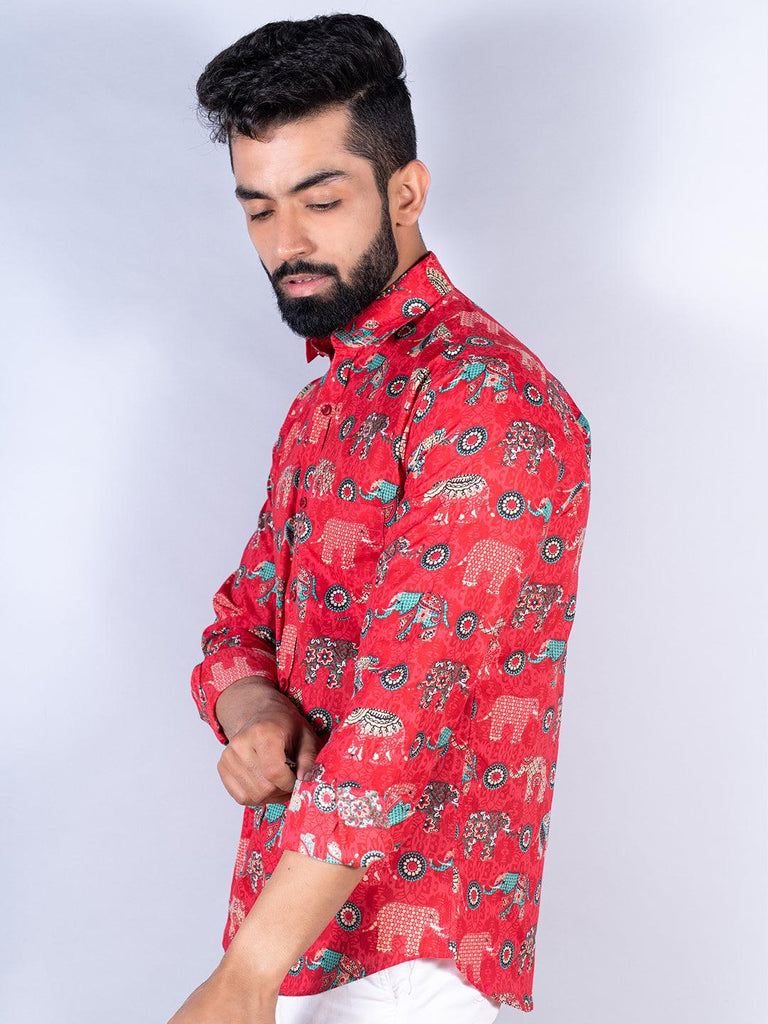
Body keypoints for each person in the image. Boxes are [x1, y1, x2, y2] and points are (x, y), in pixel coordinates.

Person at [168, 13, 592, 1024]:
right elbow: (239, 624)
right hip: (290, 944)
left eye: (321, 200)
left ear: (406, 191)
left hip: (411, 970)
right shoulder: (327, 401)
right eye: (259, 209)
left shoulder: (488, 400)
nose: (287, 243)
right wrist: (255, 714)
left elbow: (407, 712)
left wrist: (247, 974)